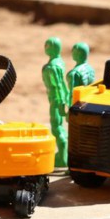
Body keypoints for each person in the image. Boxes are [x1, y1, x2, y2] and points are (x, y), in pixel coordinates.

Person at [41, 37, 70, 168]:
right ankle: (62, 153)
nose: (45, 48)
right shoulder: (59, 61)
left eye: (47, 46)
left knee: (56, 126)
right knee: (59, 125)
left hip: (55, 98)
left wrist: (59, 101)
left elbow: (57, 85)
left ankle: (63, 157)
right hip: (60, 97)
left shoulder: (51, 67)